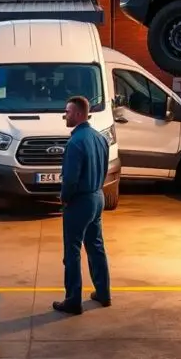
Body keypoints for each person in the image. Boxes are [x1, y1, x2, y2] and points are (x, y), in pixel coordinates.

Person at [53, 95, 112, 315]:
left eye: (67, 112)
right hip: (97, 197)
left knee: (72, 251)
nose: (65, 116)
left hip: (80, 201)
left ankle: (73, 300)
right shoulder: (99, 138)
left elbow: (70, 179)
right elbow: (105, 169)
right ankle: (103, 293)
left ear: (78, 114)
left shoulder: (75, 142)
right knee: (96, 246)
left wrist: (65, 198)